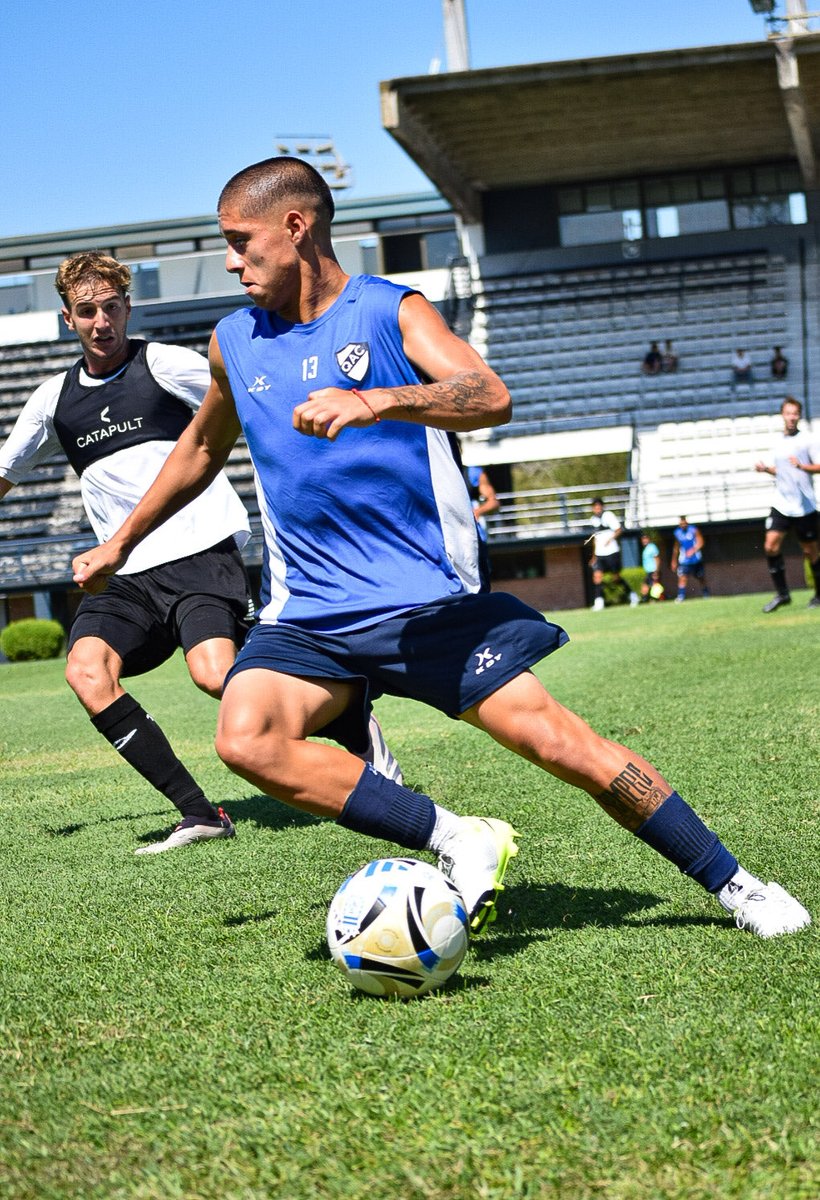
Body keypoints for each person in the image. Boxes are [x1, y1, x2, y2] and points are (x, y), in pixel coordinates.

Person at [72, 156, 809, 940]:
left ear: (296, 227)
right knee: (247, 738)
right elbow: (196, 450)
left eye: (238, 241)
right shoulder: (234, 342)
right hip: (310, 617)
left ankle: (737, 886)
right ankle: (455, 837)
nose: (228, 261)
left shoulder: (392, 311)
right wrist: (122, 541)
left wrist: (378, 399)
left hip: (424, 605)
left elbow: (489, 393)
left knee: (565, 747)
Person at [0, 251, 401, 855]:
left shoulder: (162, 365)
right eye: (87, 312)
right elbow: (5, 471)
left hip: (197, 551)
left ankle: (350, 715)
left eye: (112, 308)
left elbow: (247, 393)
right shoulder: (52, 400)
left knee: (215, 674)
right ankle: (200, 812)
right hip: (124, 571)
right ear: (67, 319)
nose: (102, 322)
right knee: (86, 671)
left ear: (128, 307)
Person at [754, 396, 820, 612]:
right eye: (788, 413)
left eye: (795, 413)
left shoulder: (807, 440)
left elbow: (818, 466)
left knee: (811, 552)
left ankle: (819, 595)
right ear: (782, 415)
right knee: (770, 546)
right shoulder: (777, 442)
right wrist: (766, 469)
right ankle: (782, 594)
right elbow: (781, 470)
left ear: (799, 415)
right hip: (782, 503)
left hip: (805, 505)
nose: (791, 417)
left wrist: (802, 466)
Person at [587, 498, 638, 610]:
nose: (597, 508)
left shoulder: (608, 516)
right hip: (600, 553)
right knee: (597, 577)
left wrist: (610, 539)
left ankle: (632, 595)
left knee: (616, 578)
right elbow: (595, 539)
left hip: (612, 551)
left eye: (599, 506)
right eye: (595, 506)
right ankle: (599, 602)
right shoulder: (593, 520)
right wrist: (594, 556)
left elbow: (619, 530)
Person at [670, 517, 711, 602]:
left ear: (687, 522)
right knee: (682, 577)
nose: (683, 525)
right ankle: (681, 596)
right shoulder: (677, 533)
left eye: (684, 523)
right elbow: (676, 547)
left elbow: (701, 542)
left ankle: (706, 594)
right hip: (684, 560)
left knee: (701, 577)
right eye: (681, 524)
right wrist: (674, 560)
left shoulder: (693, 530)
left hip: (696, 559)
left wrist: (693, 550)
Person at [639, 532, 663, 602]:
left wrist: (656, 571)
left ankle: (656, 600)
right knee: (646, 586)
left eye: (646, 539)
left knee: (654, 587)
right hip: (648, 571)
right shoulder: (645, 548)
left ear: (649, 539)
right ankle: (646, 600)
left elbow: (657, 559)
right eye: (643, 539)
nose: (644, 540)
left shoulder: (652, 547)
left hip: (653, 571)